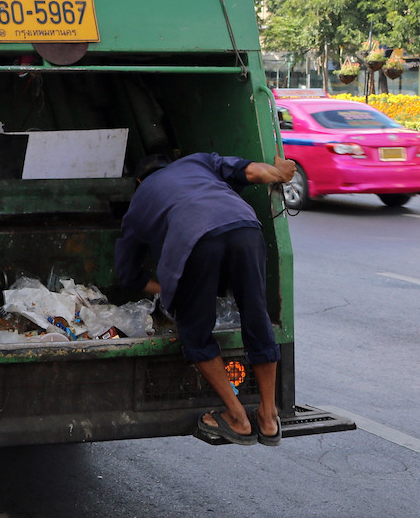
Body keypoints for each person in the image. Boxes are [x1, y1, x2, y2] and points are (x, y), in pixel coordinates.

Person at [115, 151, 296, 447]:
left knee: (196, 333)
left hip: (196, 238)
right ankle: (268, 415)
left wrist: (169, 288)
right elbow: (252, 173)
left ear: (138, 180)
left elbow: (127, 274)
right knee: (255, 314)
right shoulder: (199, 162)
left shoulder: (139, 201)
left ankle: (237, 417)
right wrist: (281, 172)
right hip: (245, 227)